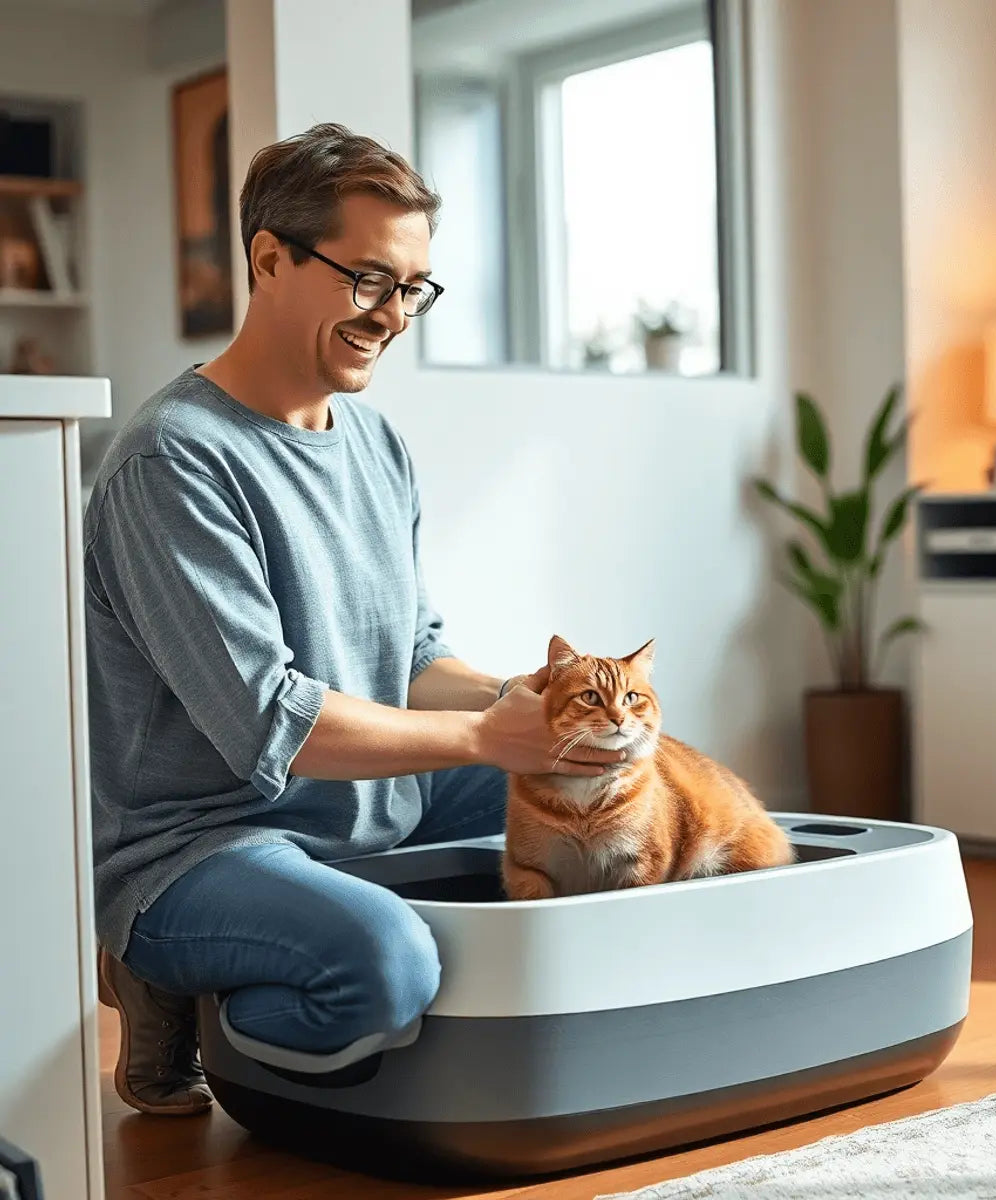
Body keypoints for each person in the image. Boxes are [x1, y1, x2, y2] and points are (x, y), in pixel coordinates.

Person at [84, 122, 623, 1115]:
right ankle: (172, 987)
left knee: (624, 811)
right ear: (270, 259)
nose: (395, 314)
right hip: (202, 845)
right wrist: (480, 735)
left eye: (414, 287)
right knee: (384, 966)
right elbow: (270, 724)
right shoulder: (174, 461)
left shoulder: (375, 442)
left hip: (373, 808)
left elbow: (411, 655)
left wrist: (527, 702)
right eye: (370, 279)